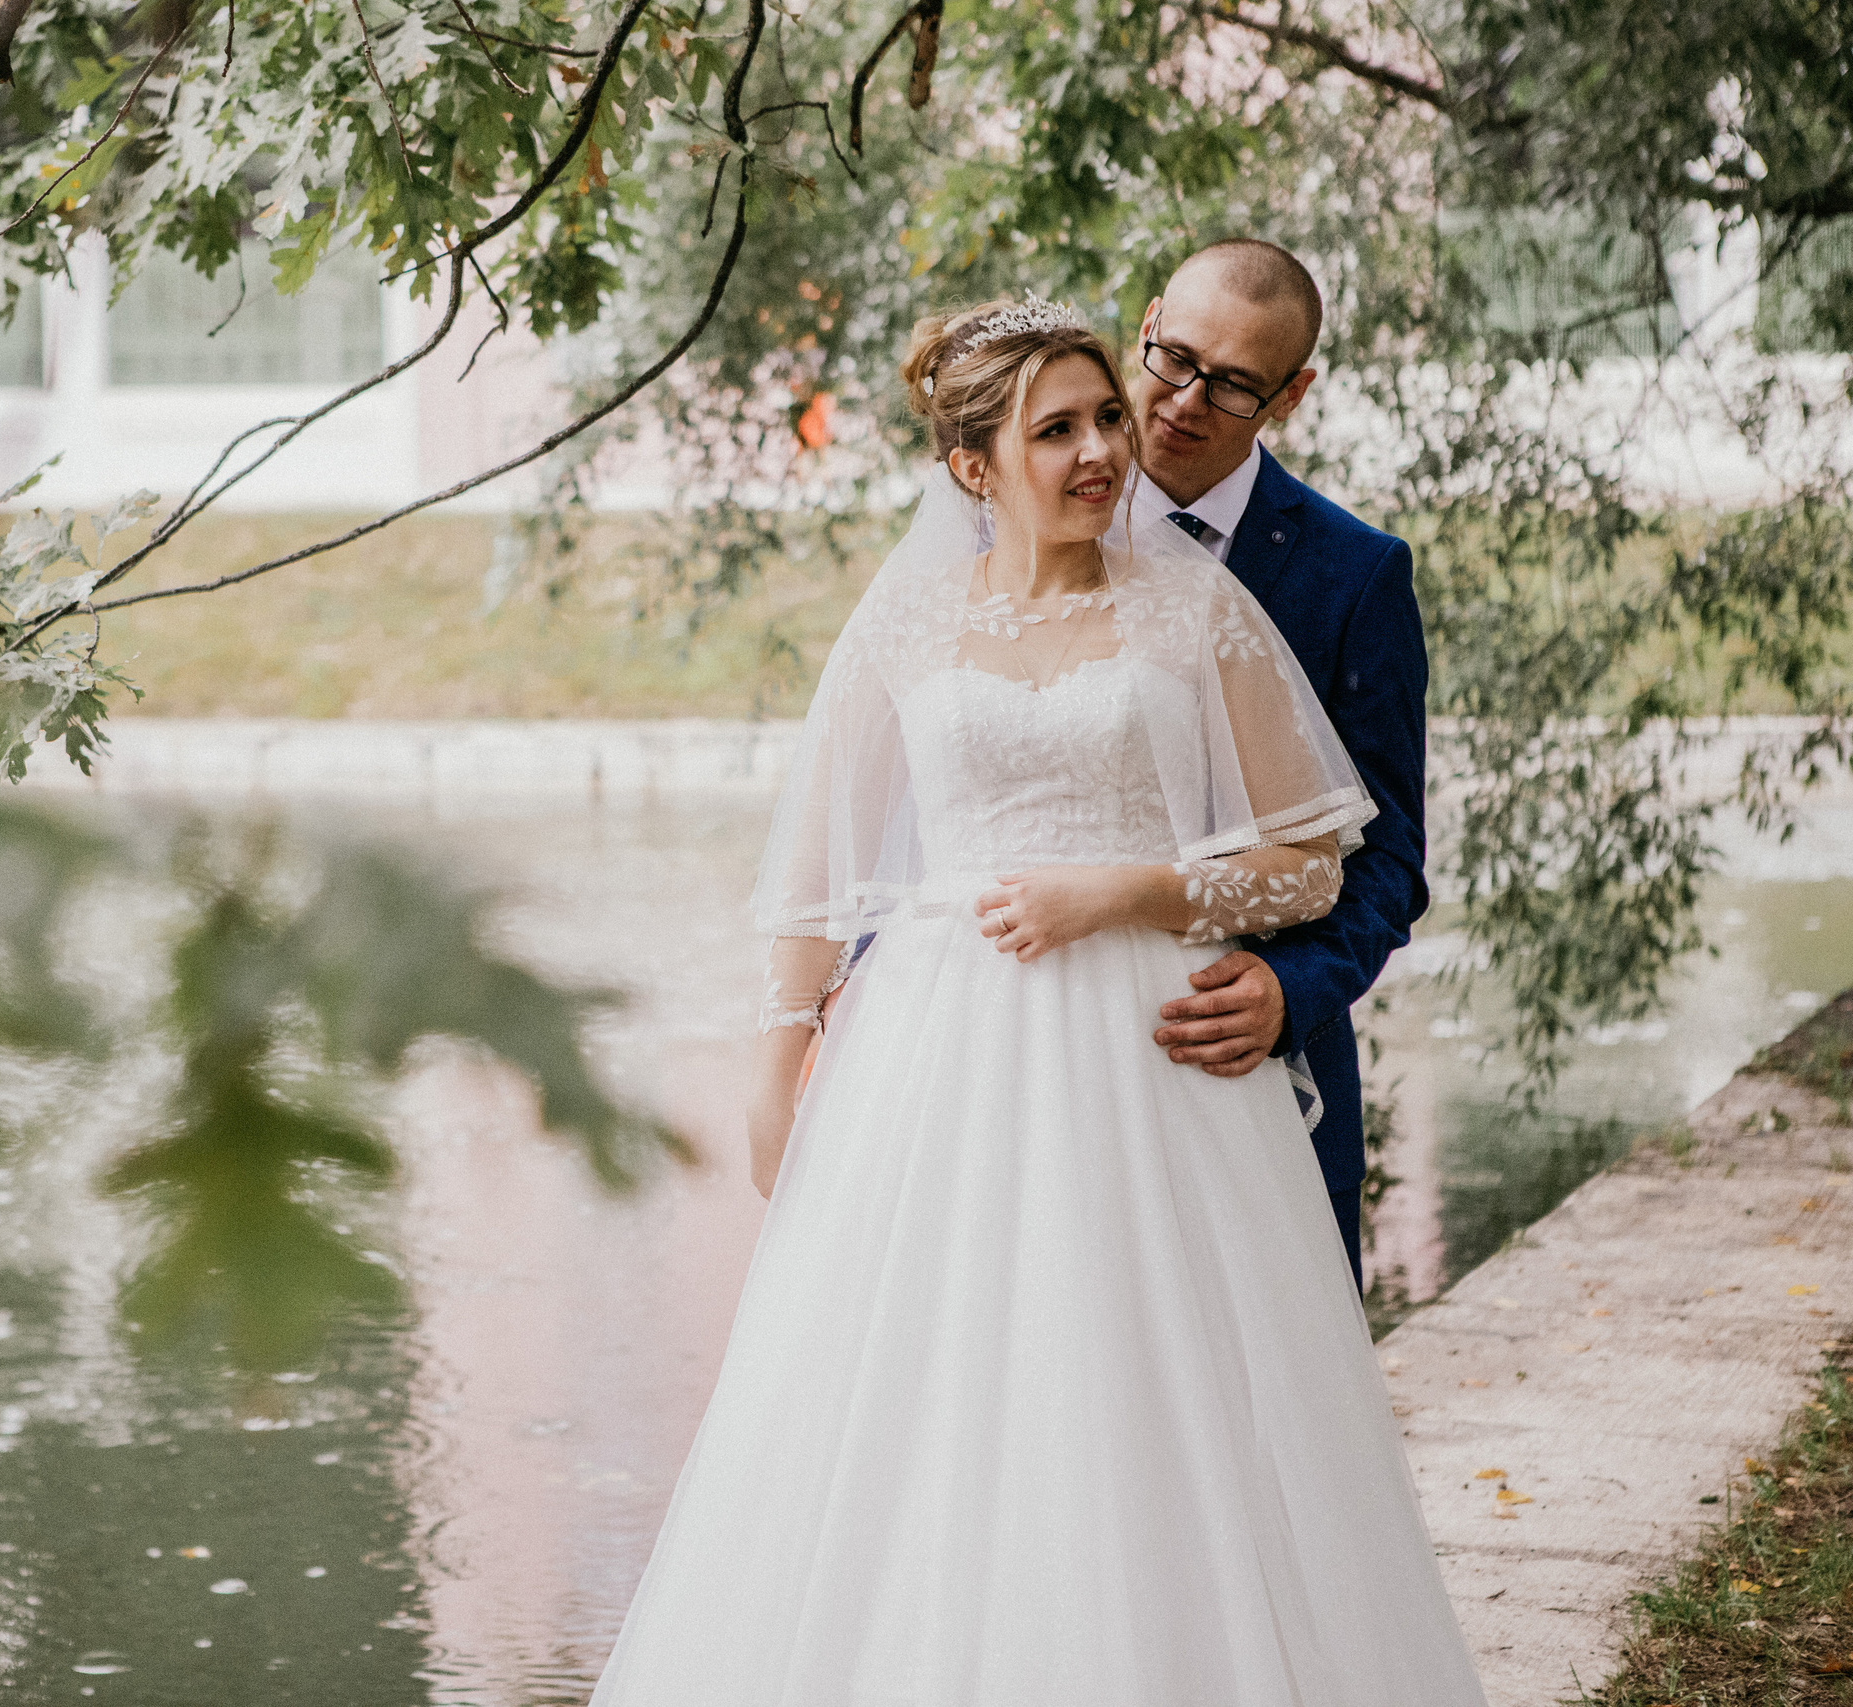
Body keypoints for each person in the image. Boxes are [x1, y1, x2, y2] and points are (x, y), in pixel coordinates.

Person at [587, 300, 1485, 1703]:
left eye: (1104, 419)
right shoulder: (911, 620)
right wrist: (781, 1057)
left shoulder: (1192, 606)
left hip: (1148, 1054)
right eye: (1055, 428)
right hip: (933, 1055)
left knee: (1145, 1393)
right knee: (920, 1392)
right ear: (970, 465)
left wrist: (1126, 892)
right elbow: (824, 858)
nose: (1098, 450)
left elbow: (1311, 863)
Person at [1132, 240, 1430, 1290]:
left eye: (1232, 386)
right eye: (1173, 358)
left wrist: (1289, 984)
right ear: (1147, 321)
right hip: (1051, 1061)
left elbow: (1390, 861)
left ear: (1290, 396)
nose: (1182, 402)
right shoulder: (1013, 529)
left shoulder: (1357, 576)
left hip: (1260, 1064)